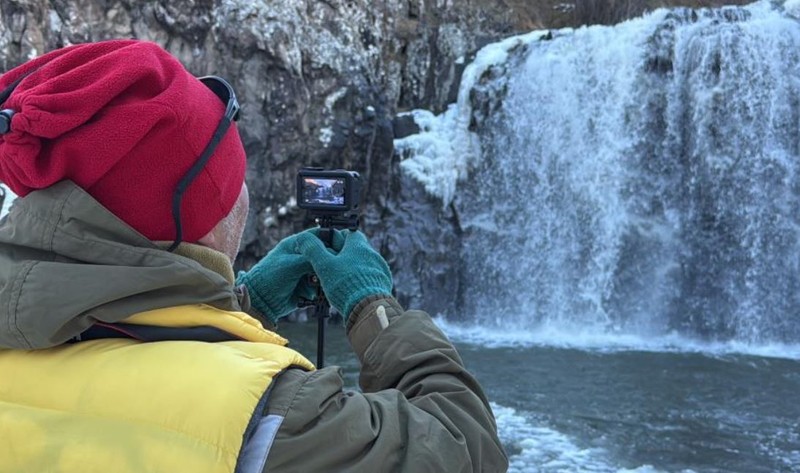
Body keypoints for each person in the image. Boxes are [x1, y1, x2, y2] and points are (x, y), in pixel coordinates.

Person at [0, 40, 507, 473]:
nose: (243, 191)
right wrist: (373, 306)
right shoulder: (269, 417)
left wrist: (243, 304)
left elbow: (120, 358)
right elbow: (467, 446)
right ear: (197, 213)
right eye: (232, 174)